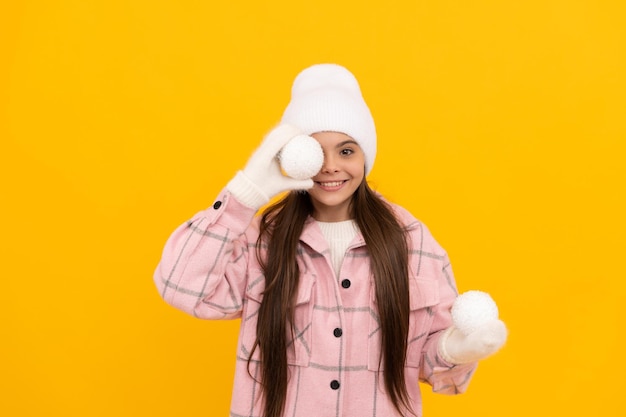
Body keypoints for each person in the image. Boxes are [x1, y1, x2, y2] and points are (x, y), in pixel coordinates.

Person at [154, 64, 507, 417]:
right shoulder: (262, 240)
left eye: (346, 151)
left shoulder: (410, 238)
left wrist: (456, 349)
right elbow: (181, 288)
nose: (331, 167)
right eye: (316, 152)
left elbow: (436, 371)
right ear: (295, 157)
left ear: (365, 156)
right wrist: (243, 196)